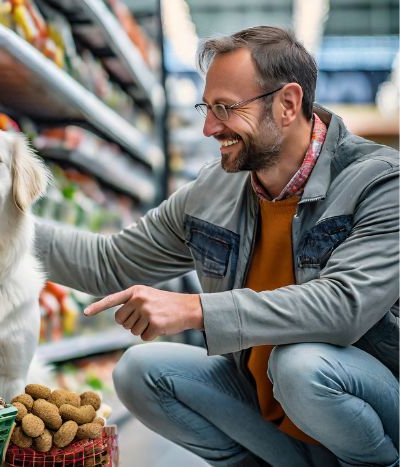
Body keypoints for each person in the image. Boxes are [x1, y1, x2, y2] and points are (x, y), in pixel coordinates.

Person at [35, 26, 399, 466]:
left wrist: (195, 310)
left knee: (299, 365)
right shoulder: (214, 191)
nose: (209, 127)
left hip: (374, 408)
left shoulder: (380, 181)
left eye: (226, 108)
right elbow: (108, 263)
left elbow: (343, 307)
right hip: (277, 413)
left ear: (287, 104)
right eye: (206, 109)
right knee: (141, 371)